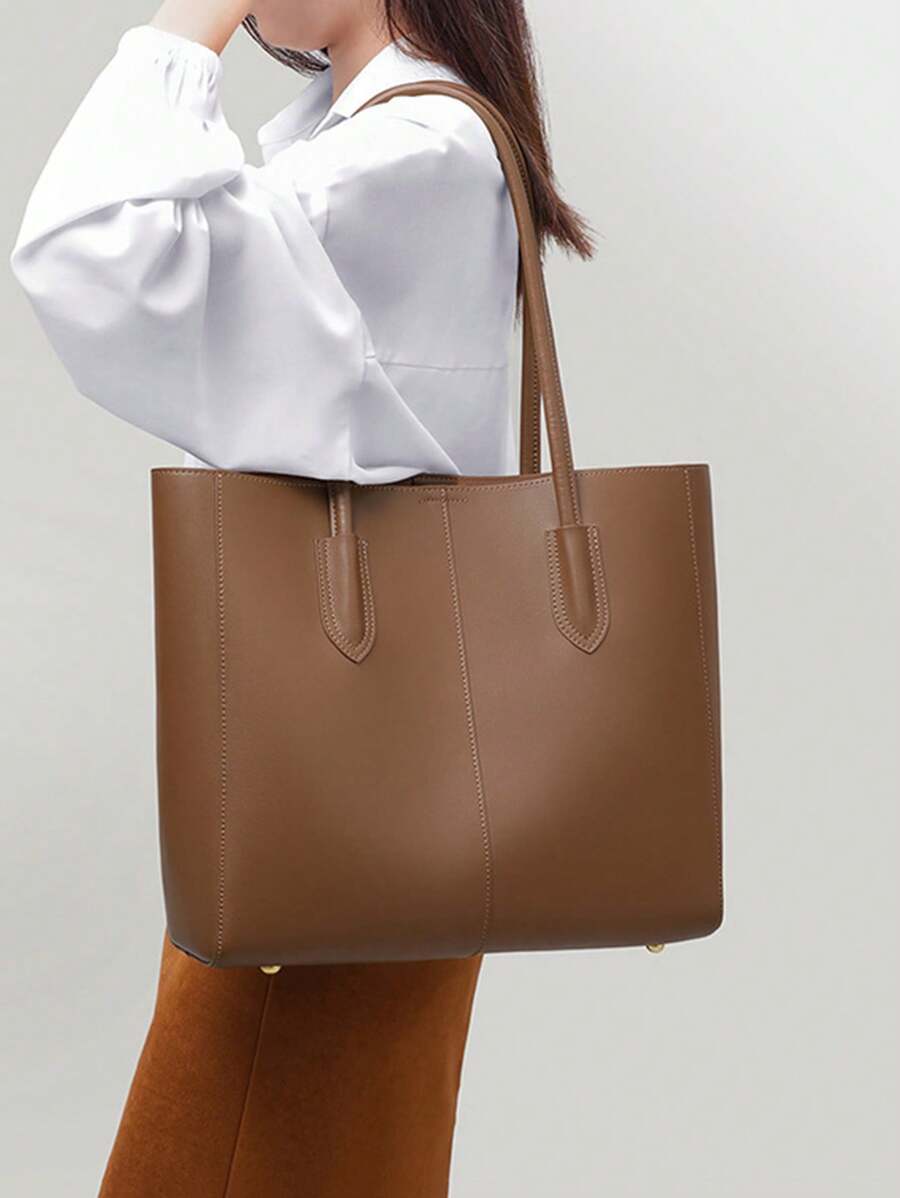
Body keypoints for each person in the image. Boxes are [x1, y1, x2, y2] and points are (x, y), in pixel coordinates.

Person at [11, 2, 591, 1193]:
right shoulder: (380, 142)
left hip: (335, 820)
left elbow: (86, 251)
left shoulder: (410, 157)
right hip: (376, 805)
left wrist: (185, 27)